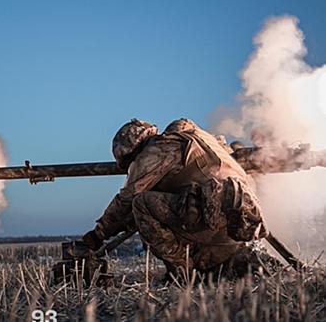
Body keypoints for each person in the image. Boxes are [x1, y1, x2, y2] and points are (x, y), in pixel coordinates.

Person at [82, 118, 268, 276]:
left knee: (140, 204)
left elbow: (127, 199)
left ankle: (183, 272)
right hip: (246, 218)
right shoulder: (201, 138)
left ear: (133, 151)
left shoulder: (155, 151)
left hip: (215, 216)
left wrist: (98, 235)